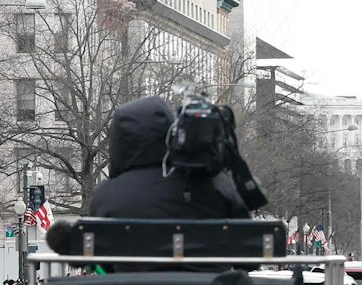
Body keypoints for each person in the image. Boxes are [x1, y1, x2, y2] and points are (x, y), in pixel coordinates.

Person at [83, 95, 251, 221]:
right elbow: (248, 252)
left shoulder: (106, 196)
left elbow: (100, 259)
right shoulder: (216, 185)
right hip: (209, 269)